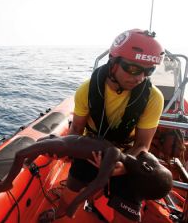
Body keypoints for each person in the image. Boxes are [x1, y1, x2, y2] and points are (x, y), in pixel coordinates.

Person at [49, 29, 165, 222]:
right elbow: (77, 129)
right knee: (70, 192)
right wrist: (65, 150)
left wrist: (124, 164)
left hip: (128, 155)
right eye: (133, 68)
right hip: (92, 149)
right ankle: (61, 216)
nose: (140, 78)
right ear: (113, 62)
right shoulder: (87, 89)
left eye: (149, 71)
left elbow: (143, 144)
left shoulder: (153, 97)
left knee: (128, 211)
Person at [0, 135, 173, 220]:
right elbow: (42, 144)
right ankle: (64, 210)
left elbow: (99, 183)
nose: (154, 158)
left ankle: (7, 184)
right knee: (42, 143)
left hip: (73, 147)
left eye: (156, 163)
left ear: (147, 168)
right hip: (73, 146)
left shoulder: (113, 153)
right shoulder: (114, 154)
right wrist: (29, 161)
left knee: (33, 149)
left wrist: (7, 182)